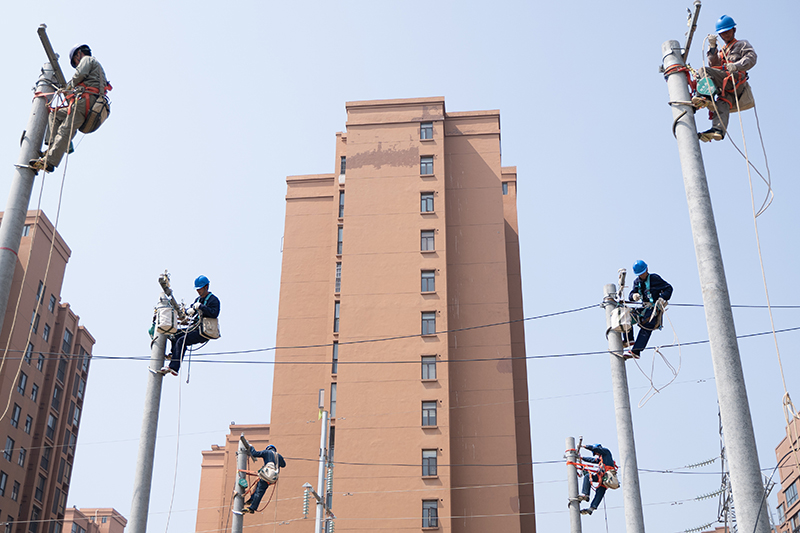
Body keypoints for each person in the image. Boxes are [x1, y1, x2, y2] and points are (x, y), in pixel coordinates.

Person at [30, 44, 110, 172]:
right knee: (55, 115)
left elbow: (80, 73)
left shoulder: (87, 60)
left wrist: (68, 88)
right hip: (86, 103)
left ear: (79, 54)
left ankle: (49, 161)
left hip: (85, 102)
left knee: (65, 130)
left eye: (75, 61)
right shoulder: (96, 66)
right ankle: (53, 149)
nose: (77, 64)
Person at [692, 15, 757, 142]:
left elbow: (751, 58)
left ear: (734, 30)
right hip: (726, 86)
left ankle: (706, 97)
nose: (726, 35)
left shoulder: (741, 44)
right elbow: (714, 66)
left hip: (735, 80)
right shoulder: (722, 51)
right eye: (723, 33)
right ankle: (718, 129)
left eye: (728, 31)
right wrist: (712, 48)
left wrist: (736, 66)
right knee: (723, 102)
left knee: (703, 71)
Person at [160, 275, 220, 376]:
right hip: (195, 328)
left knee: (182, 340)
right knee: (175, 334)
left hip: (203, 331)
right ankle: (174, 354)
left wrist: (202, 307)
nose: (198, 291)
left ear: (206, 287)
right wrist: (189, 311)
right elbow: (192, 307)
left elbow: (214, 313)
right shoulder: (198, 299)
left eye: (200, 289)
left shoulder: (213, 300)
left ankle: (174, 367)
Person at [623, 260, 673, 358]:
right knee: (626, 315)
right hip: (644, 308)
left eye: (643, 273)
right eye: (640, 274)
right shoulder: (637, 282)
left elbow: (669, 288)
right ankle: (629, 339)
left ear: (647, 269)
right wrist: (634, 296)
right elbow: (630, 295)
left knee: (647, 325)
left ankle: (636, 352)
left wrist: (663, 297)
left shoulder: (654, 278)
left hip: (653, 309)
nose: (642, 275)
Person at [244, 444, 286, 514]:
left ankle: (252, 507)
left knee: (259, 491)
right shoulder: (279, 456)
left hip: (266, 474)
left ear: (268, 449)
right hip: (272, 477)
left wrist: (251, 447)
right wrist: (279, 460)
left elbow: (254, 454)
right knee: (259, 488)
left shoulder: (266, 452)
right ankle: (252, 499)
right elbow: (283, 465)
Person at [578, 443, 616, 515]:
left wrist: (585, 446)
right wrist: (582, 458)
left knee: (599, 488)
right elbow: (592, 460)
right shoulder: (601, 459)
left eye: (595, 453)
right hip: (603, 477)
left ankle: (587, 497)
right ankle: (591, 506)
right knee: (590, 479)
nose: (596, 454)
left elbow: (594, 449)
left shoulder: (606, 452)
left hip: (608, 476)